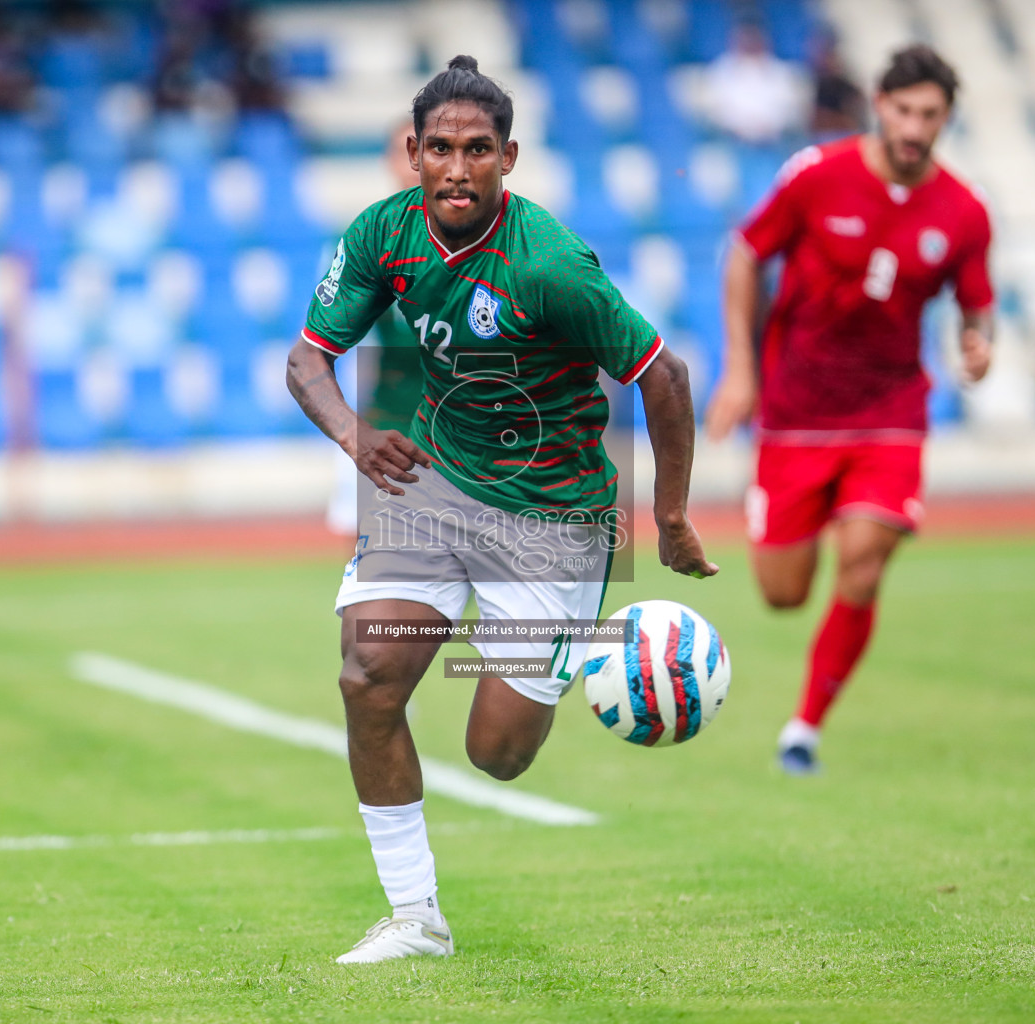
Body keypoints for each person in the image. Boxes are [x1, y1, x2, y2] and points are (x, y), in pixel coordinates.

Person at [286, 55, 715, 963]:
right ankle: (416, 918)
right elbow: (307, 362)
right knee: (367, 677)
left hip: (551, 522)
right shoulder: (382, 235)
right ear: (412, 153)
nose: (455, 167)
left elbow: (665, 378)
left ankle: (577, 648)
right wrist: (357, 438)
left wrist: (669, 517)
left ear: (508, 158)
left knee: (498, 755)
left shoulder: (552, 265)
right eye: (439, 148)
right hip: (434, 487)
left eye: (476, 149)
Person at [704, 44, 994, 776]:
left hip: (890, 413)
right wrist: (740, 369)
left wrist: (977, 343)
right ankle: (808, 514)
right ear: (879, 104)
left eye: (930, 114)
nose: (915, 126)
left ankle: (804, 728)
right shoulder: (816, 175)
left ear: (945, 118)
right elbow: (744, 253)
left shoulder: (964, 211)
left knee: (863, 564)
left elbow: (978, 304)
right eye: (904, 110)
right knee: (783, 593)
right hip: (796, 412)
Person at [326, 120, 426, 535]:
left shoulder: (489, 244)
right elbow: (330, 344)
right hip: (388, 414)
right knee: (363, 540)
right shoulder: (368, 239)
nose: (414, 165)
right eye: (406, 153)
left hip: (466, 421)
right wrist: (354, 426)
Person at [703, 24, 806, 144]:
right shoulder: (720, 71)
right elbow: (714, 111)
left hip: (775, 140)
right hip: (733, 141)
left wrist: (769, 126)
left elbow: (790, 108)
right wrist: (741, 127)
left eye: (753, 40)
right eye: (745, 40)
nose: (749, 44)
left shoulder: (782, 72)